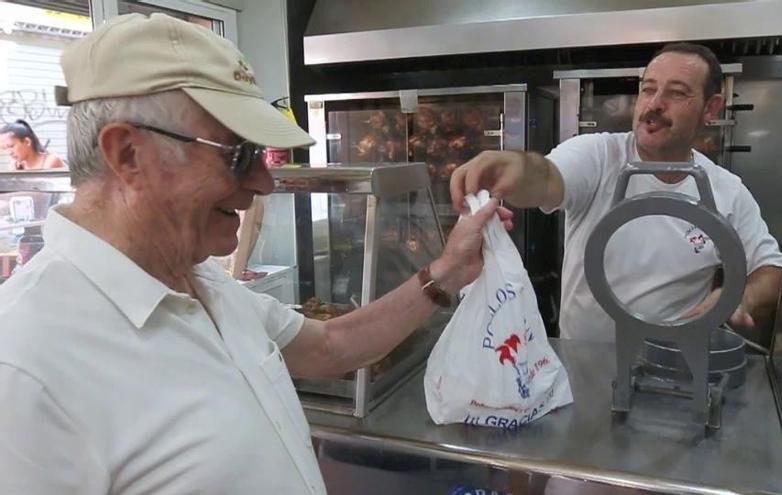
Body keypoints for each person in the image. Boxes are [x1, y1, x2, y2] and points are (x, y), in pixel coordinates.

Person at [0, 13, 512, 495]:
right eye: (239, 155)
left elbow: (331, 346)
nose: (263, 182)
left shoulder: (200, 281)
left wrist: (448, 271)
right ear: (129, 155)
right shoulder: (25, 365)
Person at [451, 43, 782, 344]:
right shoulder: (598, 155)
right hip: (583, 362)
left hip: (673, 365)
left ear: (710, 109)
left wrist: (737, 295)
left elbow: (771, 270)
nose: (655, 104)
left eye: (677, 93)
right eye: (648, 89)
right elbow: (546, 177)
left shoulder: (727, 190)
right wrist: (515, 166)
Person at [0, 119, 65, 170]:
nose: (9, 152)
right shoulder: (16, 166)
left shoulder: (51, 160)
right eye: (4, 148)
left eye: (11, 146)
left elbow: (41, 186)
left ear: (27, 142)